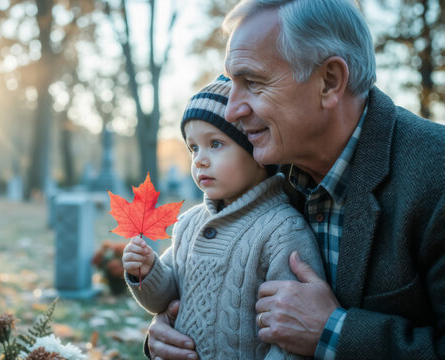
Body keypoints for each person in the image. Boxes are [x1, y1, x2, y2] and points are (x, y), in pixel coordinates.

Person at [145, 0, 445, 359]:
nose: (232, 110)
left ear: (329, 82)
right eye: (231, 83)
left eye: (252, 82)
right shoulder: (264, 172)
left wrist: (334, 332)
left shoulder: (435, 175)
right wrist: (172, 331)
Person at [123, 74, 325, 359]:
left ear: (258, 152)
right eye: (193, 147)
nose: (199, 159)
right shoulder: (191, 223)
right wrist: (146, 271)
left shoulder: (282, 230)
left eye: (215, 144)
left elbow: (292, 336)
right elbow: (165, 300)